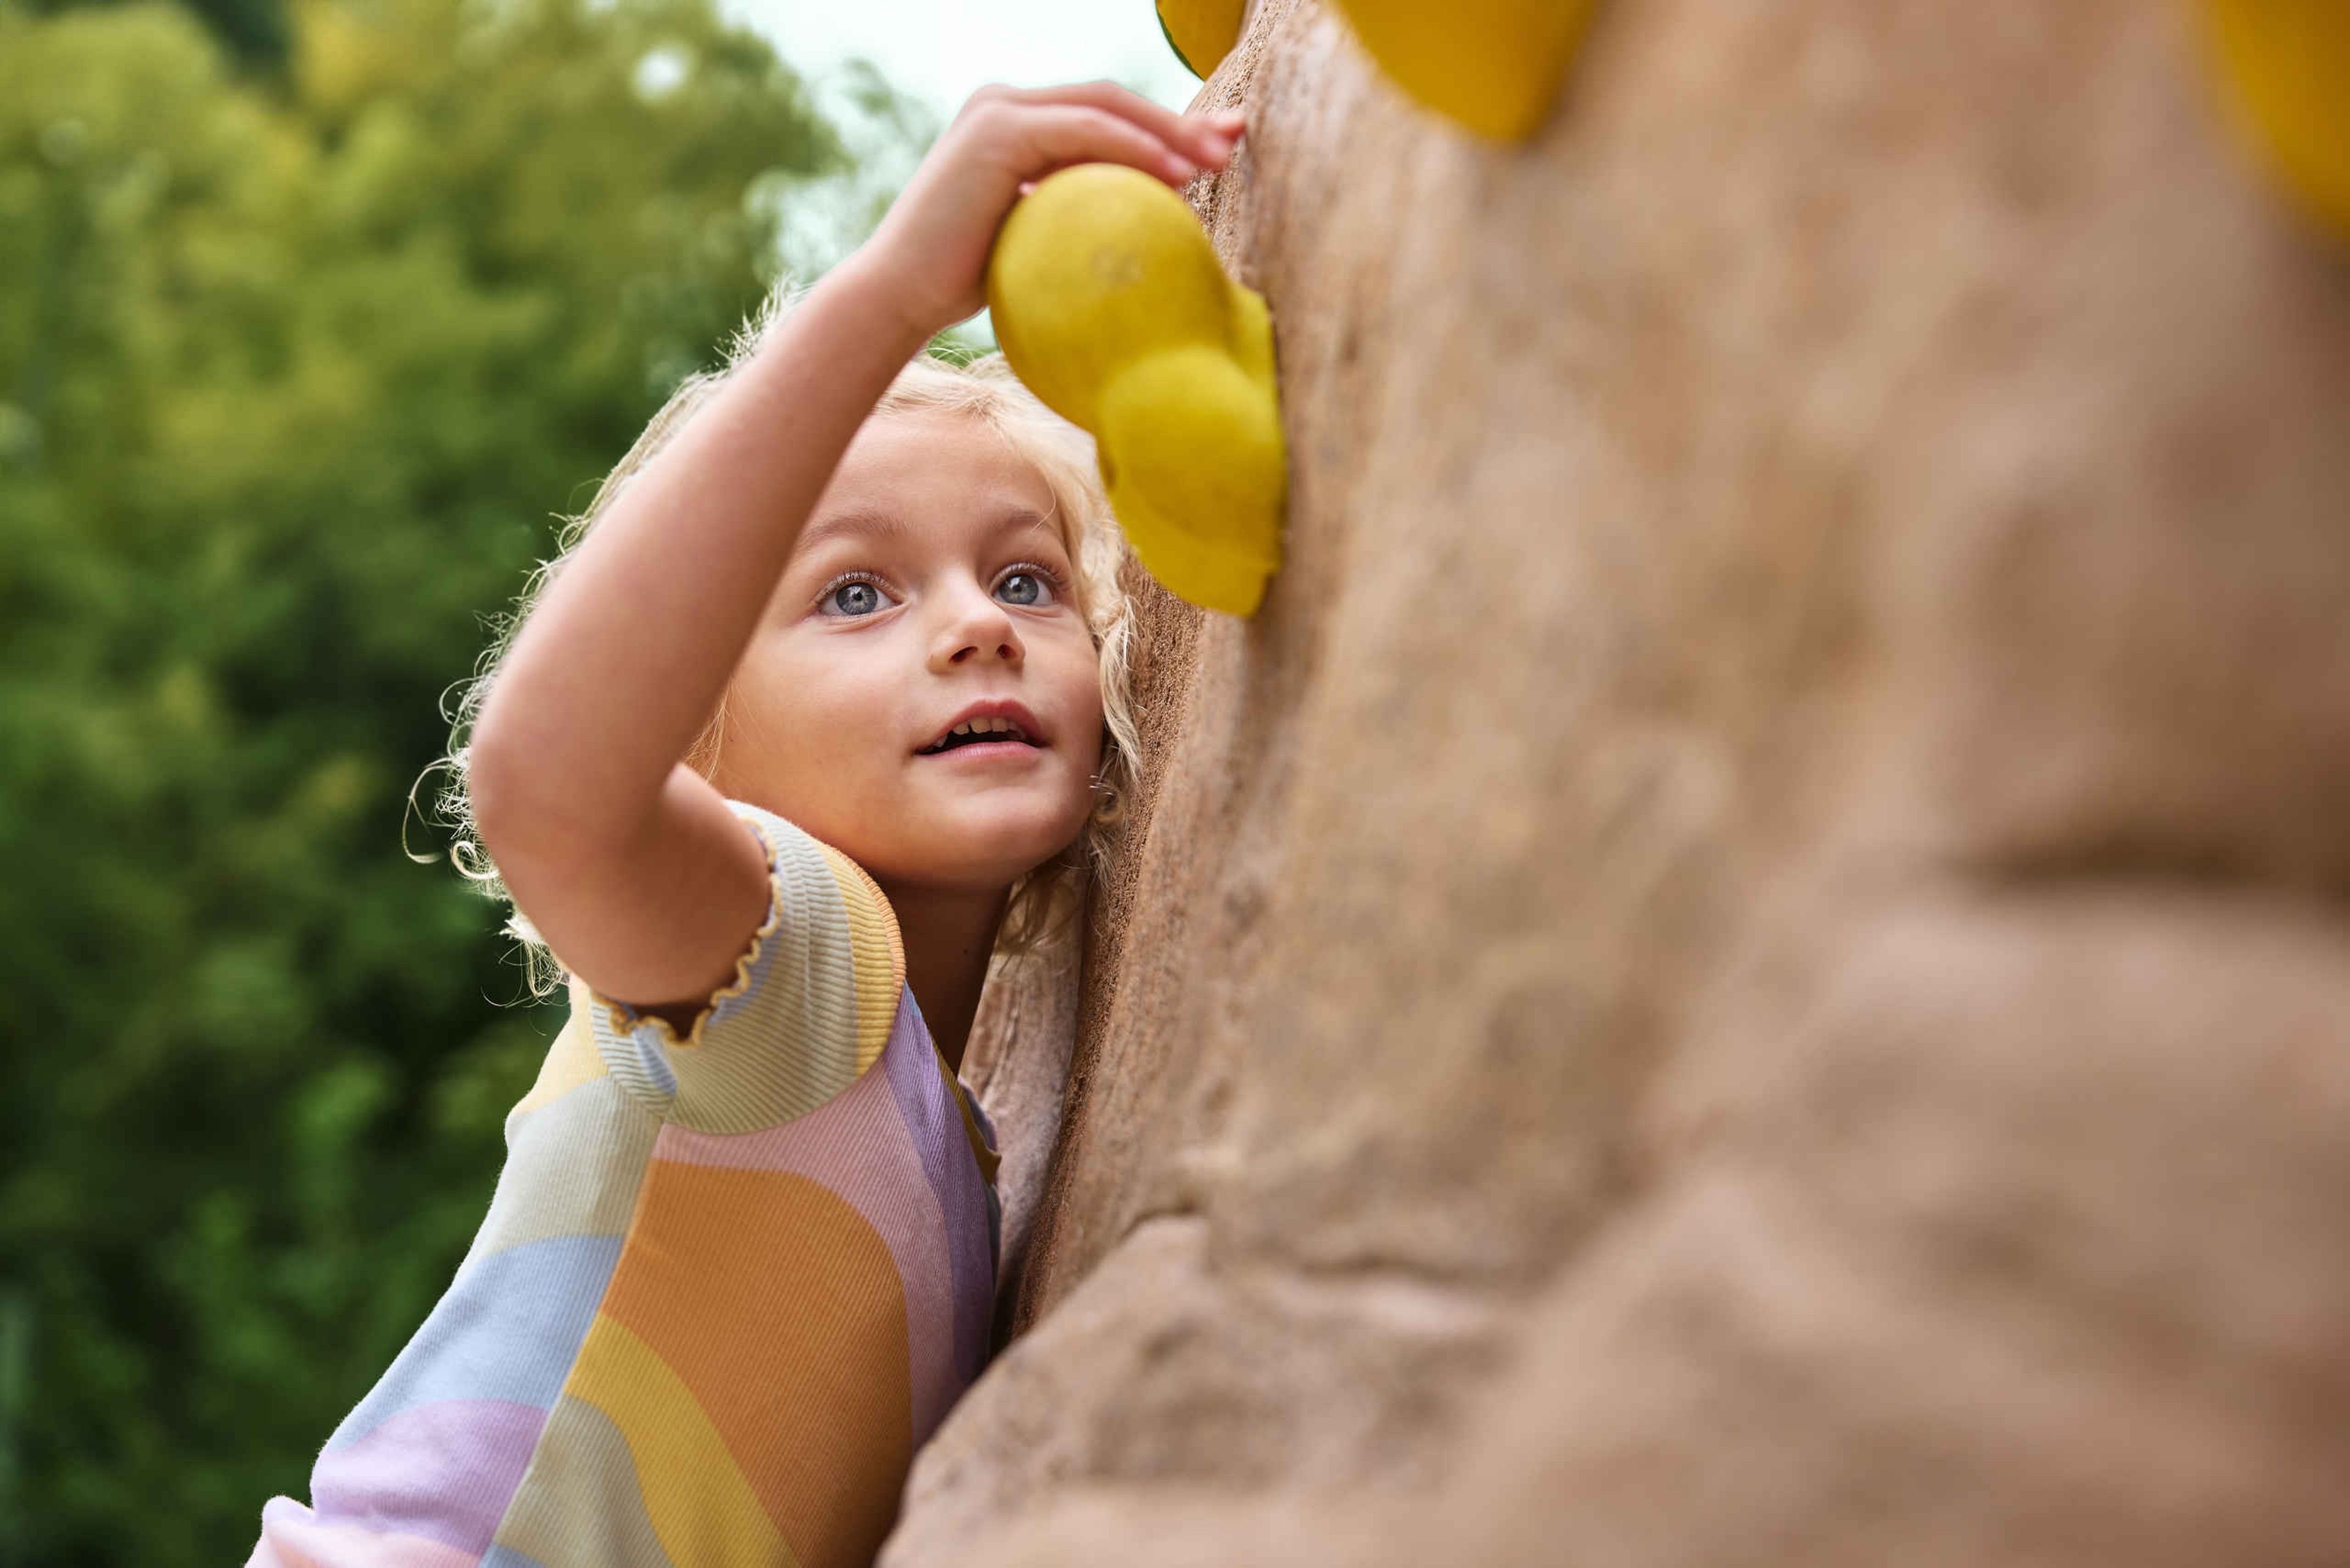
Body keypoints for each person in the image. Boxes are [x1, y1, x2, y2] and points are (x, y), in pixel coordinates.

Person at [249, 83, 1248, 1568]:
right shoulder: (797, 965)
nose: (978, 627)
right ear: (694, 745)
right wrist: (897, 292)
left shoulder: (963, 1119)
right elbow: (541, 783)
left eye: (1029, 579)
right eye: (856, 593)